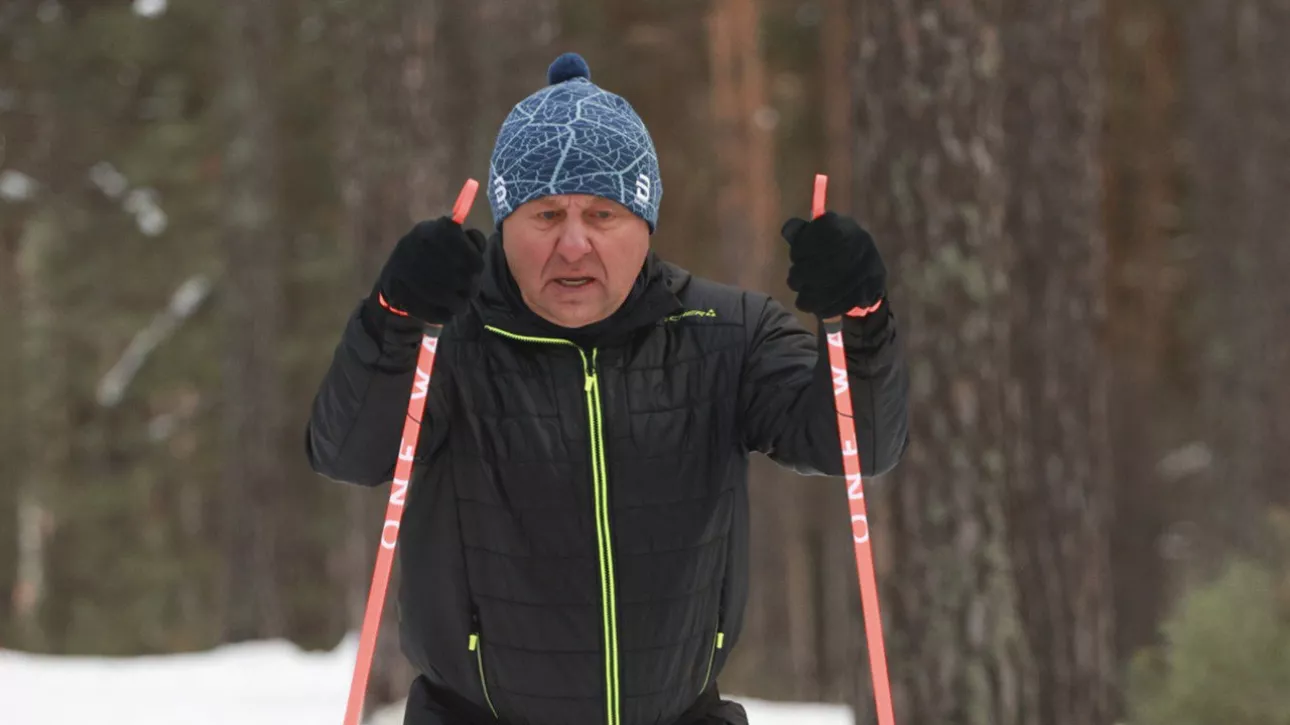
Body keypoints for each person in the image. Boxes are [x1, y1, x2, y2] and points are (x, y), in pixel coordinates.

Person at [306, 52, 909, 725]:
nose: (572, 245)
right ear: (503, 223)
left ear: (644, 223)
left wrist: (860, 318)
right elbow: (347, 452)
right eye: (545, 215)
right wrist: (394, 318)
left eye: (602, 214)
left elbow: (862, 442)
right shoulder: (448, 339)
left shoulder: (727, 331)